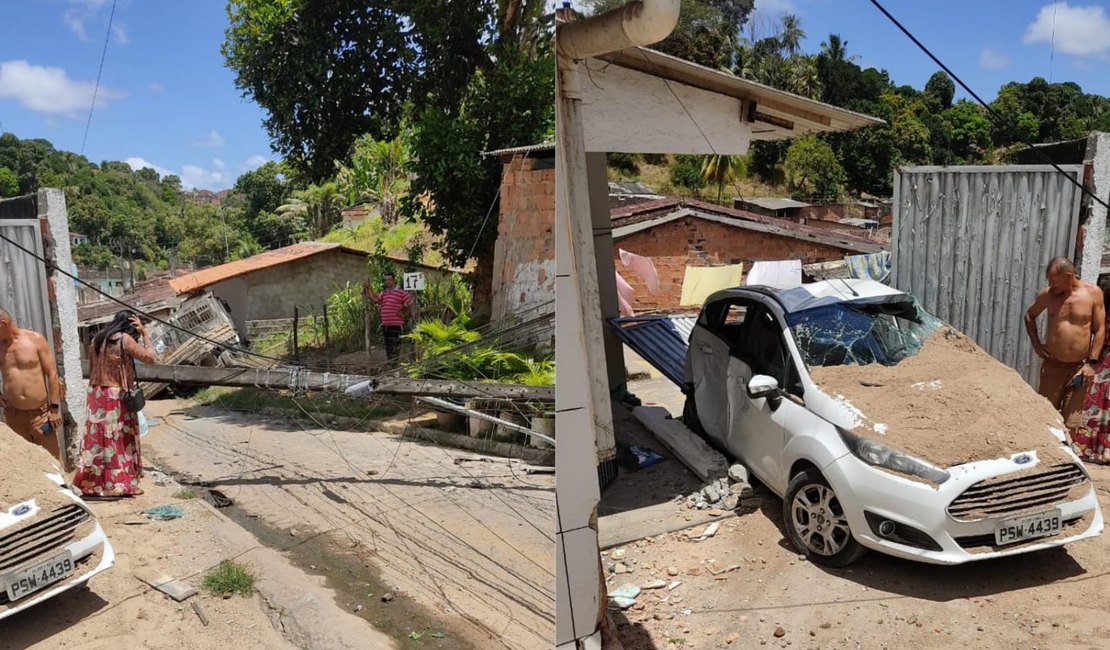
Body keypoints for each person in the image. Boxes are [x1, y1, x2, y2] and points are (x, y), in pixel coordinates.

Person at [73, 311, 157, 497]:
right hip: (116, 395)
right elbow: (151, 358)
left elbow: (94, 368)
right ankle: (120, 484)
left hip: (96, 393)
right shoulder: (124, 339)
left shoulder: (97, 339)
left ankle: (92, 483)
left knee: (97, 442)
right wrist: (145, 334)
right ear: (131, 326)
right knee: (118, 440)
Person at [1024, 257, 1105, 424]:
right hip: (1053, 366)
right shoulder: (1048, 295)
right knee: (1046, 418)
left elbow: (1100, 329)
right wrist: (1037, 345)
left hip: (1079, 369)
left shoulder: (1093, 294)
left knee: (1071, 422)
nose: (1051, 286)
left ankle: (1065, 450)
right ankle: (1046, 449)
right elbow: (1029, 316)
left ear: (1068, 276)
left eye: (1054, 281)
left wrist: (1091, 363)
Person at [0, 307, 65, 461]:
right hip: (14, 416)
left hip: (41, 416)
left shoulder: (35, 340)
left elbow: (52, 374)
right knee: (22, 462)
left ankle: (61, 486)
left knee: (52, 460)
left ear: (3, 323)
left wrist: (54, 408)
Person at [1071, 286, 1110, 464]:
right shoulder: (1102, 310)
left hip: (1102, 358)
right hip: (1101, 358)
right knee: (1095, 401)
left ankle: (1100, 450)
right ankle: (1094, 449)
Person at [367, 273, 415, 363]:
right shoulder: (384, 293)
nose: (387, 282)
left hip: (396, 324)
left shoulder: (401, 292)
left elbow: (410, 302)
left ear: (394, 280)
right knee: (388, 345)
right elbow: (375, 300)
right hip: (386, 324)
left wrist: (404, 314)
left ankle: (395, 364)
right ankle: (390, 363)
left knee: (395, 345)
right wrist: (368, 289)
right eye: (386, 280)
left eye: (389, 279)